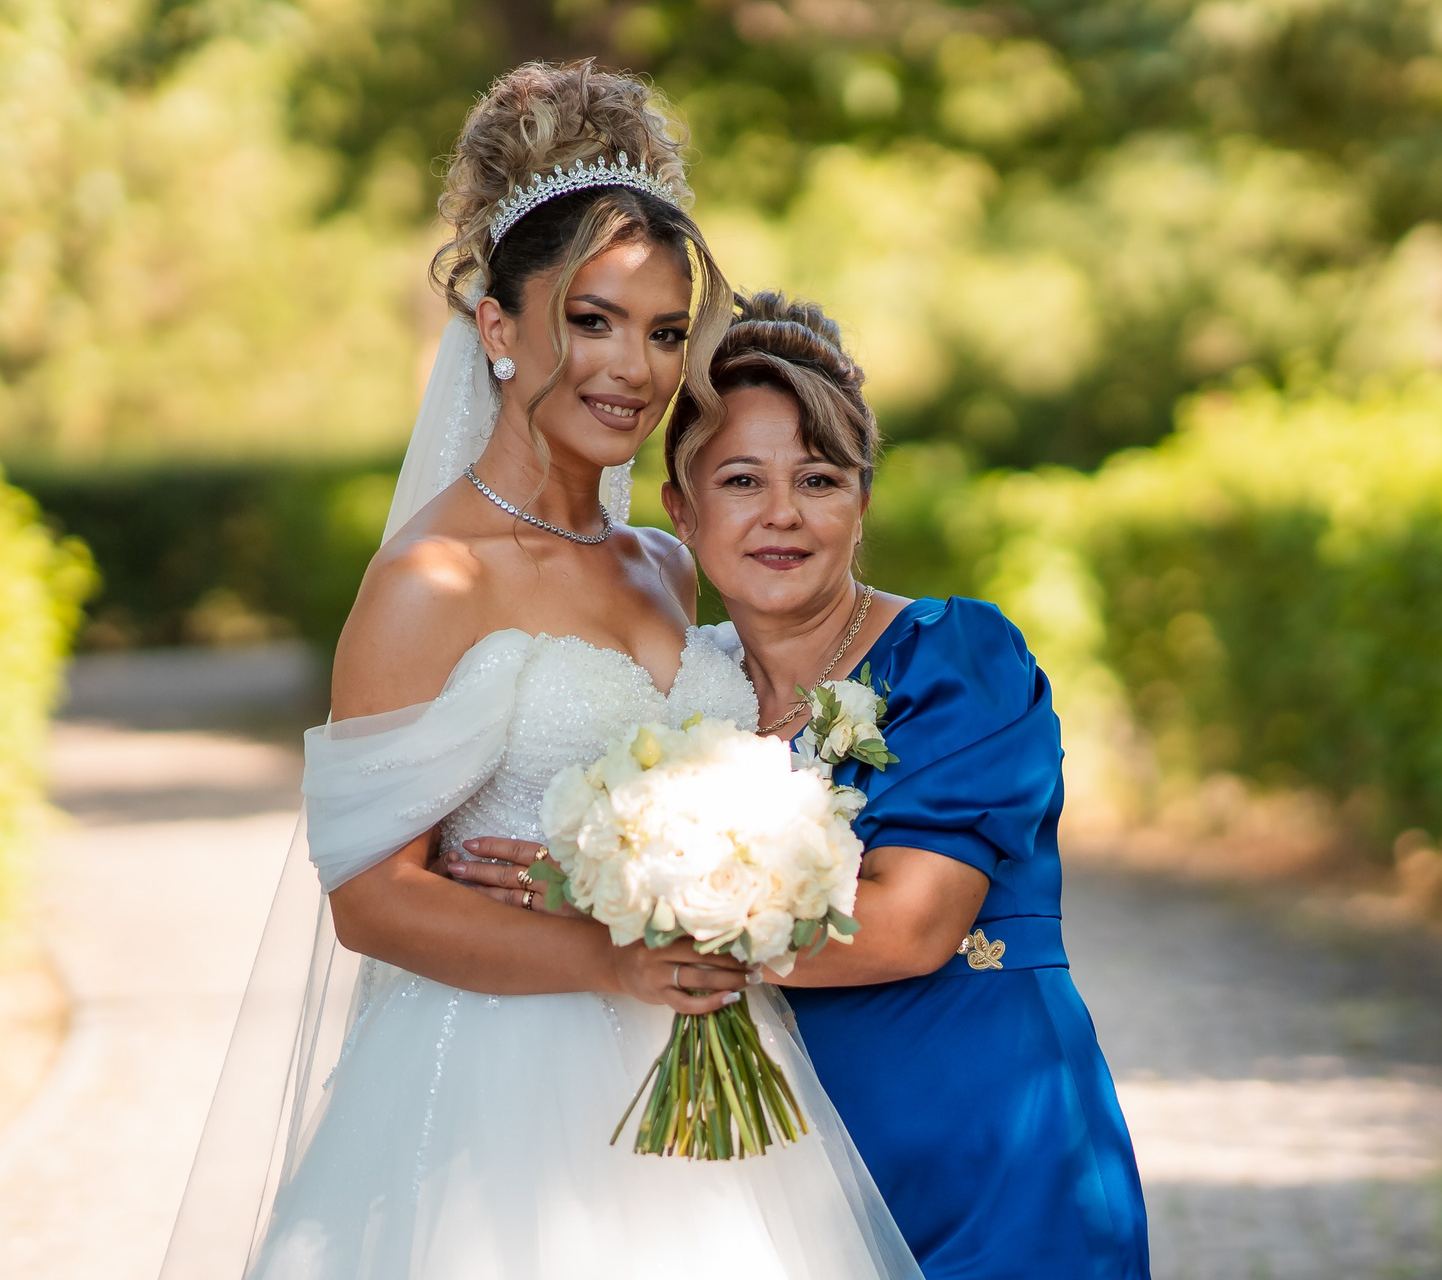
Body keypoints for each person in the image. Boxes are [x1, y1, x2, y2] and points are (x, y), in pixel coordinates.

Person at [160, 63, 918, 1280]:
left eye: (664, 332)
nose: (634, 367)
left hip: (708, 1079)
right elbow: (369, 898)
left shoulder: (665, 565)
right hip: (499, 1087)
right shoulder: (433, 578)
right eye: (592, 320)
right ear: (499, 329)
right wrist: (609, 956)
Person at [455, 293, 1152, 1279]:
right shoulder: (684, 699)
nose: (782, 513)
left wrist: (619, 905)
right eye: (741, 480)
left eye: (819, 479)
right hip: (779, 1191)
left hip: (990, 1159)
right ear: (682, 511)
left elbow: (910, 925)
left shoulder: (956, 660)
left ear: (861, 502)